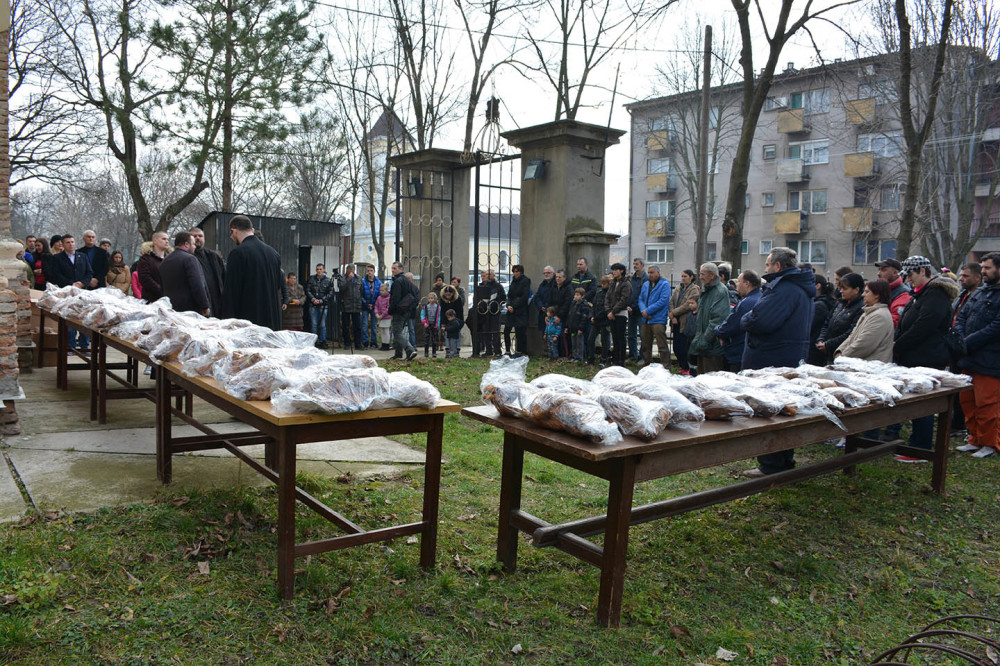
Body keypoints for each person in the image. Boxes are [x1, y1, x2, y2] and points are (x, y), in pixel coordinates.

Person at [740, 247, 815, 477]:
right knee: (784, 410)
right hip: (786, 357)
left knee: (771, 411)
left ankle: (771, 464)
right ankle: (781, 460)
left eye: (767, 264)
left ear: (778, 267)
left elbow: (758, 320)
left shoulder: (784, 290)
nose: (765, 269)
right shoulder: (798, 288)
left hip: (772, 361)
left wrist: (746, 317)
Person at [892, 255, 959, 460]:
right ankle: (916, 444)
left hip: (927, 358)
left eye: (910, 275)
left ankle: (920, 448)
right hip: (915, 356)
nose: (908, 280)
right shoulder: (921, 294)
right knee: (915, 404)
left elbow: (923, 327)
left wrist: (898, 345)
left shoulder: (935, 295)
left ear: (923, 271)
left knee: (923, 405)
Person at [954, 252, 1000, 458]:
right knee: (967, 401)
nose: (983, 271)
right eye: (982, 268)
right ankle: (974, 438)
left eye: (988, 268)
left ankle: (990, 443)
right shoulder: (980, 292)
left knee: (987, 404)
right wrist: (961, 339)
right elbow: (962, 315)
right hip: (969, 357)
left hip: (990, 360)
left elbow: (996, 327)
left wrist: (968, 341)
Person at [221, 215, 284, 330]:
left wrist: (227, 324)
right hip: (272, 321)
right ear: (252, 230)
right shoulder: (273, 253)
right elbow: (278, 286)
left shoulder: (238, 254)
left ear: (233, 231)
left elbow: (231, 293)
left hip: (249, 324)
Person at [950, 262, 982, 436]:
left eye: (966, 276)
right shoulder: (962, 295)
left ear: (978, 277)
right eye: (961, 275)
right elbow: (957, 318)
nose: (962, 279)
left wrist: (964, 340)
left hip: (969, 347)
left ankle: (961, 425)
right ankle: (956, 422)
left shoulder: (981, 297)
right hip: (956, 346)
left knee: (967, 389)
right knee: (956, 387)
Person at [47, 234, 93, 351]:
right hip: (66, 293)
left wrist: (82, 283)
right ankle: (70, 346)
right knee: (69, 319)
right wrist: (71, 284)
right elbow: (56, 275)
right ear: (63, 244)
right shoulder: (57, 258)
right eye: (68, 242)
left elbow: (89, 273)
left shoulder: (82, 256)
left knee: (84, 318)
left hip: (82, 293)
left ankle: (84, 346)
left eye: (72, 242)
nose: (71, 244)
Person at [713, 270, 762, 373]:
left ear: (747, 283)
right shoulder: (761, 297)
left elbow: (731, 325)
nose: (736, 286)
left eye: (739, 282)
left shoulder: (746, 303)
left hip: (739, 352)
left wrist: (717, 330)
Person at [835, 279, 894, 363]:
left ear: (876, 295)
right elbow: (852, 335)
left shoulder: (879, 316)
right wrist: (840, 351)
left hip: (871, 366)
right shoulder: (868, 312)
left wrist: (843, 356)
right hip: (862, 364)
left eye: (867, 292)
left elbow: (864, 344)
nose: (863, 295)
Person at [687, 262, 730, 373]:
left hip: (712, 346)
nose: (700, 277)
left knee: (711, 381)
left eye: (703, 274)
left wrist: (704, 340)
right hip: (704, 346)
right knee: (701, 378)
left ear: (712, 276)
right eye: (700, 274)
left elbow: (717, 319)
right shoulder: (707, 290)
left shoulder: (720, 291)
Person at [158, 231, 211, 316]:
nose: (194, 247)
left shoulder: (164, 262)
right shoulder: (190, 259)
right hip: (190, 311)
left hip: (170, 309)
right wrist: (204, 306)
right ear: (186, 244)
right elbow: (197, 285)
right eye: (193, 244)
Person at [816, 273, 865, 363]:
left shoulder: (861, 308)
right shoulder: (839, 303)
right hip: (827, 351)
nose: (841, 291)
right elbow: (827, 323)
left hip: (842, 352)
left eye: (845, 289)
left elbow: (851, 332)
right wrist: (821, 340)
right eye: (840, 288)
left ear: (856, 290)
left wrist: (828, 344)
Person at [638, 264, 672, 368]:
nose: (650, 275)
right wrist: (643, 310)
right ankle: (647, 364)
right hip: (645, 319)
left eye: (652, 272)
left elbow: (663, 301)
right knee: (645, 344)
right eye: (648, 273)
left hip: (658, 319)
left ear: (658, 273)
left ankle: (666, 365)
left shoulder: (664, 284)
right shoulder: (646, 284)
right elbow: (640, 299)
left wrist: (648, 311)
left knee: (661, 344)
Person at [189, 227, 226, 318]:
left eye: (200, 236)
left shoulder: (213, 256)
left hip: (217, 299)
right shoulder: (188, 258)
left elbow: (224, 277)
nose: (198, 238)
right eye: (194, 236)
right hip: (199, 302)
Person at [669, 269, 699, 373]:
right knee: (676, 346)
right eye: (682, 276)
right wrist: (672, 315)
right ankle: (682, 366)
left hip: (685, 320)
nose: (683, 278)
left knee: (684, 346)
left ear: (691, 277)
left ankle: (687, 367)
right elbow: (671, 301)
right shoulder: (678, 288)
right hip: (675, 321)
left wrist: (674, 312)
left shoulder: (694, 289)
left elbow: (688, 305)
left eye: (685, 276)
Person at [388, 261, 418, 361]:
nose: (392, 270)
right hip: (406, 311)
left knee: (397, 332)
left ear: (401, 269)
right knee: (398, 331)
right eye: (392, 268)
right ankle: (398, 353)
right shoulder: (407, 281)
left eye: (395, 268)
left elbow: (395, 298)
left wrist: (391, 310)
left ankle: (410, 350)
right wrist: (409, 308)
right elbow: (415, 295)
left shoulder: (398, 281)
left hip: (399, 311)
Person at [474, 270, 505, 357]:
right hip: (485, 312)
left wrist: (498, 305)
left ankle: (497, 350)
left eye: (489, 274)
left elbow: (503, 298)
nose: (487, 276)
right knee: (486, 331)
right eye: (486, 274)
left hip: (495, 312)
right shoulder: (483, 286)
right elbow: (478, 298)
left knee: (495, 332)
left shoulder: (498, 286)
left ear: (493, 275)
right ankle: (488, 350)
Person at [606, 262, 632, 367]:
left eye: (616, 270)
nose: (614, 272)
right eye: (613, 270)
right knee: (614, 337)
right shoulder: (612, 283)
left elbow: (624, 300)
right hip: (611, 313)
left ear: (621, 271)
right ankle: (615, 359)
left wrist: (613, 311)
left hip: (620, 313)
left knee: (621, 337)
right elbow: (607, 297)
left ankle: (621, 360)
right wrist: (608, 311)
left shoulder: (626, 284)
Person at [808, 275, 837, 365]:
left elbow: (810, 326)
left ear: (818, 286)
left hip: (814, 349)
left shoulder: (819, 305)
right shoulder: (824, 302)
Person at [875, 258, 911, 327]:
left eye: (883, 270)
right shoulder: (881, 290)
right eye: (879, 270)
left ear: (895, 273)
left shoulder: (903, 294)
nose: (878, 274)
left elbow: (894, 321)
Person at [504, 264, 531, 357]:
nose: (515, 273)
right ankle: (507, 351)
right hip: (511, 309)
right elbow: (509, 295)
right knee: (506, 330)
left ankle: (519, 351)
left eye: (517, 271)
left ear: (521, 272)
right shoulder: (513, 281)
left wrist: (514, 306)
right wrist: (508, 305)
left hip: (520, 311)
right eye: (514, 271)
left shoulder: (525, 281)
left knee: (520, 332)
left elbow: (524, 297)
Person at [136, 231, 169, 303]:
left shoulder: (170, 259)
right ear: (155, 241)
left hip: (169, 299)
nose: (167, 241)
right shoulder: (145, 259)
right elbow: (145, 278)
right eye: (164, 239)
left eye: (167, 239)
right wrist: (161, 290)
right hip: (151, 300)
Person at [305, 264, 333, 348]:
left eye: (320, 269)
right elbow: (308, 290)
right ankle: (314, 341)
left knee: (323, 325)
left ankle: (323, 341)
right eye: (317, 269)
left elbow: (331, 293)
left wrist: (322, 300)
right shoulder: (311, 279)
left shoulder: (328, 280)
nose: (319, 271)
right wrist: (313, 299)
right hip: (313, 304)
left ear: (324, 270)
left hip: (323, 305)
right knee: (314, 324)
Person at [338, 264, 364, 350]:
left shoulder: (359, 278)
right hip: (346, 305)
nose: (351, 272)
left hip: (356, 305)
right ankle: (347, 343)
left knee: (357, 326)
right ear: (347, 270)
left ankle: (358, 344)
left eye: (353, 270)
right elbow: (341, 289)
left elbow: (361, 290)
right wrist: (349, 279)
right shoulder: (342, 278)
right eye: (350, 270)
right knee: (346, 326)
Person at [587, 275, 612, 365]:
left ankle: (604, 359)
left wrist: (596, 317)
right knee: (590, 339)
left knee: (604, 341)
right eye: (601, 283)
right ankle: (591, 358)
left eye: (604, 283)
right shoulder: (599, 293)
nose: (602, 285)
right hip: (596, 320)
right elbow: (593, 306)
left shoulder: (610, 294)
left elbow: (607, 308)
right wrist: (591, 316)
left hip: (604, 321)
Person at [627, 257, 647, 363]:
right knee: (631, 335)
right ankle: (632, 355)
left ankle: (642, 356)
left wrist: (635, 306)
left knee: (643, 335)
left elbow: (643, 295)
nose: (635, 265)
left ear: (642, 265)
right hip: (631, 311)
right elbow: (629, 293)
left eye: (637, 264)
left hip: (640, 311)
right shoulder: (631, 278)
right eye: (634, 264)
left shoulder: (645, 279)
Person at [550, 269, 573, 357]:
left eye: (560, 277)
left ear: (564, 278)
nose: (557, 279)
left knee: (563, 336)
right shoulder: (554, 287)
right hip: (554, 314)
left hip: (564, 316)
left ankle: (565, 354)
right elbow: (550, 300)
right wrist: (550, 313)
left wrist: (559, 315)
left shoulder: (568, 288)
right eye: (556, 277)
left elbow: (567, 303)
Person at [567, 287, 591, 362]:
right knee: (574, 343)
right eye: (575, 295)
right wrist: (567, 326)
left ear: (582, 296)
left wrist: (581, 328)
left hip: (579, 328)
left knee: (579, 343)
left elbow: (584, 318)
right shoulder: (573, 304)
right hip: (572, 328)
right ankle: (574, 356)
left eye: (577, 295)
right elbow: (570, 316)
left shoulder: (584, 305)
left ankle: (580, 357)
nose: (575, 296)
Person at [361, 265, 382, 349]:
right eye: (368, 271)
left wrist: (374, 305)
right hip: (365, 306)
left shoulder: (378, 282)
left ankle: (374, 341)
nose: (369, 272)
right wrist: (366, 303)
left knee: (374, 325)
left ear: (374, 271)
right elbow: (360, 294)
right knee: (365, 324)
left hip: (374, 306)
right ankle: (365, 341)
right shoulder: (363, 281)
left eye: (371, 270)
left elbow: (380, 295)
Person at [535, 266, 556, 333]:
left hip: (553, 313)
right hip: (543, 313)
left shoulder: (555, 284)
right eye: (544, 273)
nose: (546, 274)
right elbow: (537, 296)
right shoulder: (543, 284)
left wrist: (548, 308)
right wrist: (540, 306)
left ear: (553, 273)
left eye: (548, 273)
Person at [420, 292, 441, 357]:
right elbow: (422, 315)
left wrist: (438, 324)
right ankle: (426, 352)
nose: (430, 299)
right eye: (429, 298)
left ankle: (434, 352)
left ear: (435, 299)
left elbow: (439, 316)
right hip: (427, 324)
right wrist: (424, 322)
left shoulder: (438, 307)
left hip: (434, 324)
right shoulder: (425, 307)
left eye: (432, 298)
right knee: (426, 339)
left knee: (434, 339)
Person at [374, 283, 392, 351]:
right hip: (380, 316)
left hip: (387, 317)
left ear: (386, 291)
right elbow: (376, 306)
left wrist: (382, 315)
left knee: (386, 330)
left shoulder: (389, 298)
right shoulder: (379, 298)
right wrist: (376, 313)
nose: (381, 292)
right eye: (380, 290)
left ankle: (387, 344)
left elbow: (388, 308)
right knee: (382, 330)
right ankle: (383, 343)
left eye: (383, 290)